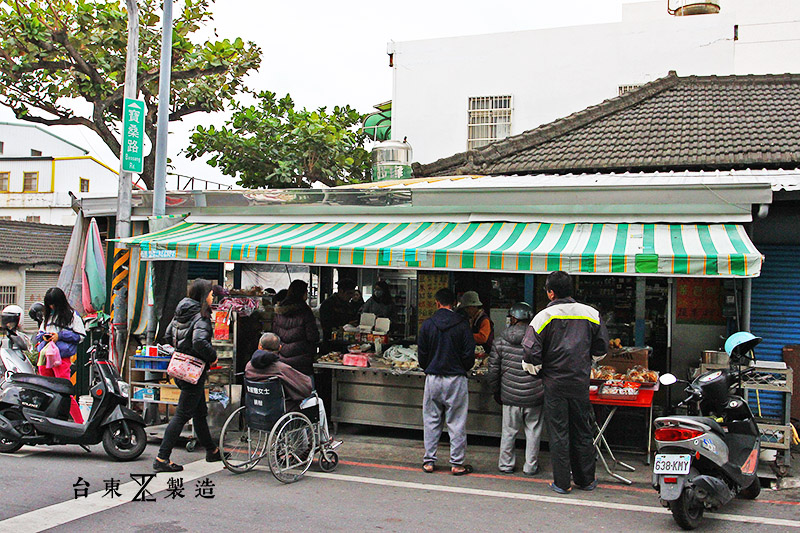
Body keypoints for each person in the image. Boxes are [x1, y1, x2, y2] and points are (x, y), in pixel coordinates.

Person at [522, 271, 609, 494]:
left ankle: (562, 483)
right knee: (582, 430)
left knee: (559, 432)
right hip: (580, 382)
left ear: (551, 292)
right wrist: (586, 361)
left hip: (554, 383)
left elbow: (530, 352)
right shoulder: (591, 314)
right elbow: (601, 350)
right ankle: (586, 480)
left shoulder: (544, 316)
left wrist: (537, 371)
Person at [154, 279, 225, 473]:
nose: (213, 297)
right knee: (182, 415)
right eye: (211, 293)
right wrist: (212, 357)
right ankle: (162, 457)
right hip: (193, 370)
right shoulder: (200, 317)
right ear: (203, 295)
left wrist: (182, 350)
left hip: (180, 368)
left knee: (199, 412)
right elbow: (200, 342)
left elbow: (168, 336)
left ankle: (212, 450)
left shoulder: (181, 313)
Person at [417, 288, 476, 476]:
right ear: (455, 303)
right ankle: (457, 463)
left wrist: (430, 366)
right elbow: (469, 356)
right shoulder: (462, 325)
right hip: (456, 379)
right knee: (456, 422)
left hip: (433, 378)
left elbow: (422, 356)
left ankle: (429, 461)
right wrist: (461, 367)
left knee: (431, 420)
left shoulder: (427, 325)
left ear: (437, 303)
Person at [245, 332, 336, 443]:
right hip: (281, 412)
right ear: (280, 347)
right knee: (317, 402)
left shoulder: (249, 366)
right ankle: (321, 440)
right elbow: (305, 387)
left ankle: (302, 446)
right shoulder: (281, 368)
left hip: (256, 409)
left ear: (259, 346)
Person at [487, 302, 544, 476]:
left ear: (512, 318)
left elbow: (493, 371)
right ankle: (530, 466)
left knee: (509, 431)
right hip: (534, 395)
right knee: (533, 431)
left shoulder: (500, 341)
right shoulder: (539, 340)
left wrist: (496, 392)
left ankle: (505, 464)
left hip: (510, 395)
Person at [34, 287, 85, 423]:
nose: (51, 306)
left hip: (61, 358)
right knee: (45, 390)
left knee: (64, 391)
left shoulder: (72, 316)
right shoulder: (47, 315)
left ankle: (79, 423)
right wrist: (43, 337)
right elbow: (40, 333)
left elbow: (80, 336)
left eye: (54, 304)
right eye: (49, 304)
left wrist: (60, 336)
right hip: (45, 356)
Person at [273, 279, 319, 376]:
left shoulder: (279, 311)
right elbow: (312, 336)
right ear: (302, 293)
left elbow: (275, 334)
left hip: (282, 359)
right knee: (305, 388)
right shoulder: (305, 311)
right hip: (302, 361)